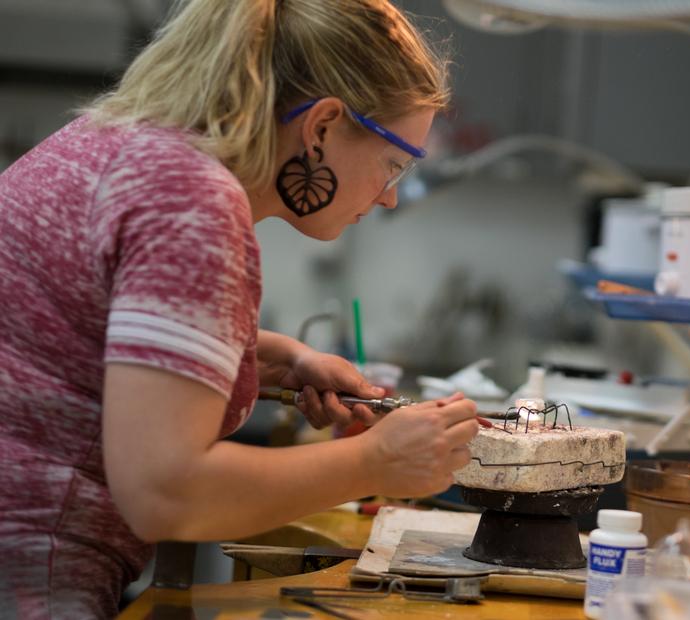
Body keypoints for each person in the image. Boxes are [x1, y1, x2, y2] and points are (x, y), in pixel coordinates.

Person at [0, 1, 478, 617]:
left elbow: (73, 333)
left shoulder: (119, 141)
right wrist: (376, 461)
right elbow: (164, 493)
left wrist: (274, 355)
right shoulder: (192, 200)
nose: (388, 198)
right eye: (393, 164)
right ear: (323, 126)